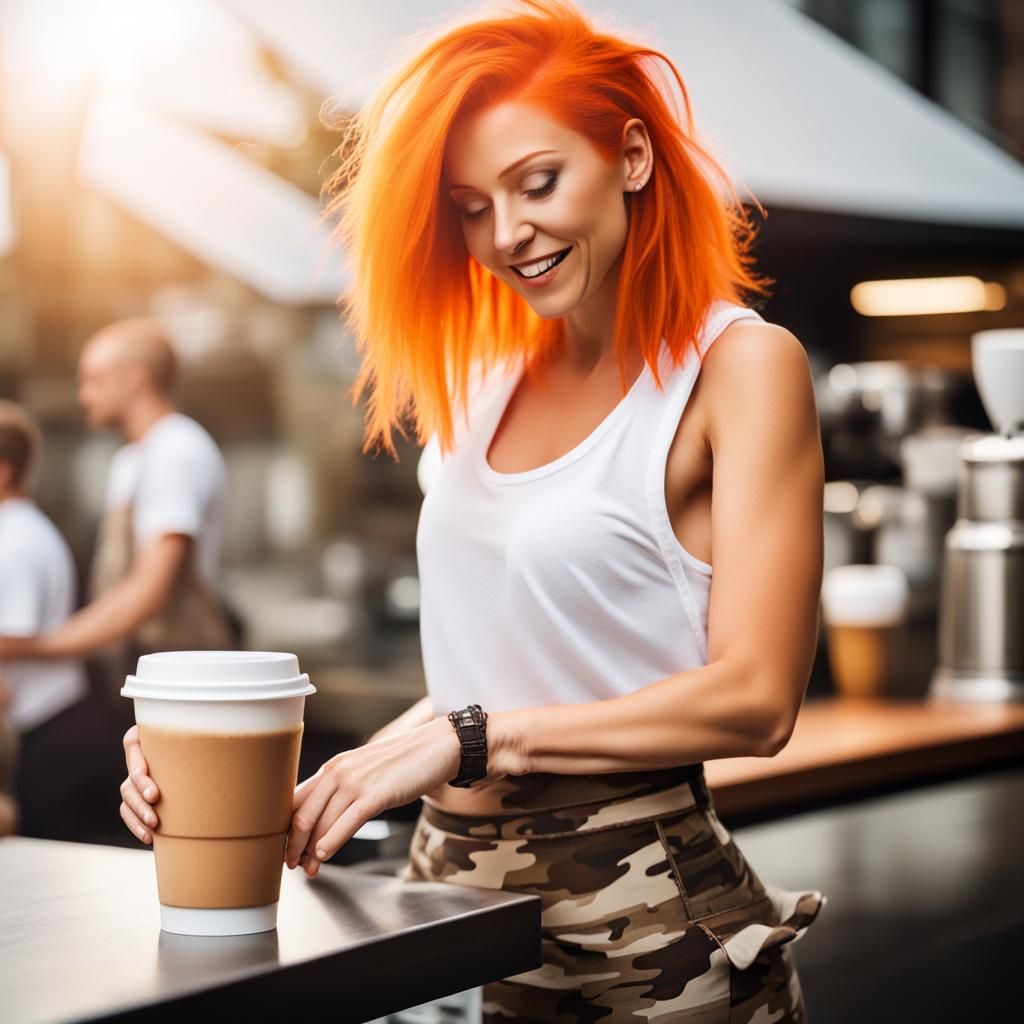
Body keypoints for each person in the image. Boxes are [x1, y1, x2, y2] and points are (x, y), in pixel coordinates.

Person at [119, 1, 827, 1019]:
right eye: (470, 205)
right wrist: (297, 774)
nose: (508, 233)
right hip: (443, 906)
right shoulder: (484, 381)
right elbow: (484, 689)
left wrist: (468, 736)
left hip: (640, 927)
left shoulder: (741, 367)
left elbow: (756, 702)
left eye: (539, 181)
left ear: (628, 156)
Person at [0, 319, 235, 732]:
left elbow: (147, 593)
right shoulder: (132, 460)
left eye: (93, 380)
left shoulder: (176, 450)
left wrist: (37, 646)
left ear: (135, 379)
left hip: (183, 685)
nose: (83, 396)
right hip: (142, 681)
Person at [0, 401, 104, 841]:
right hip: (50, 727)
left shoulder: (15, 540)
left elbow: (9, 639)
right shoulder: (22, 530)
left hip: (55, 736)